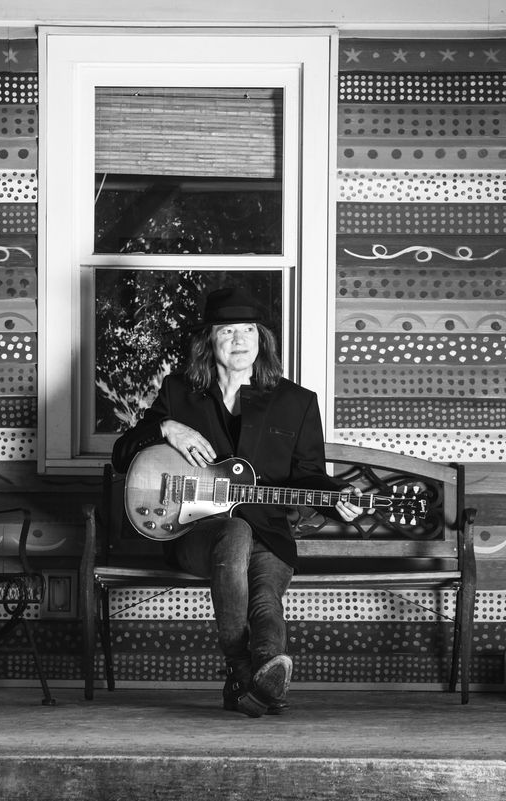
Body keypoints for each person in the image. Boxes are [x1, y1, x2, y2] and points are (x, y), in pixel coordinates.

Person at [112, 286, 362, 717]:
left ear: (262, 339)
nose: (240, 339)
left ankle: (261, 676)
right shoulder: (179, 392)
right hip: (195, 533)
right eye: (227, 330)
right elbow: (123, 454)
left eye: (248, 330)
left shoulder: (296, 402)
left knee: (265, 595)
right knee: (234, 528)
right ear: (209, 341)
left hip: (269, 531)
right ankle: (248, 671)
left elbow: (310, 476)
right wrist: (168, 427)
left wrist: (338, 496)